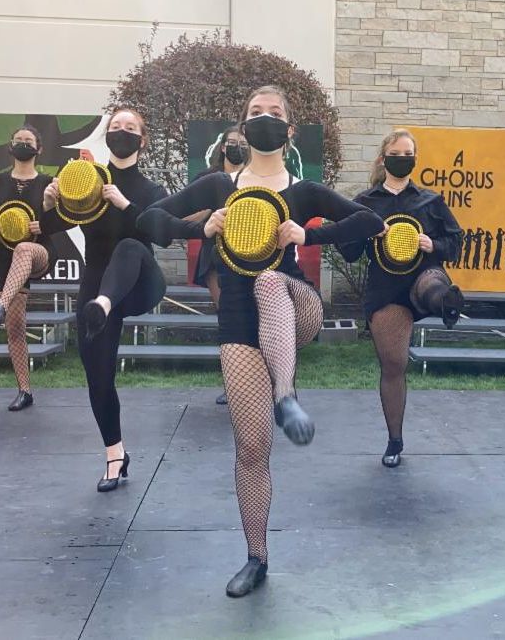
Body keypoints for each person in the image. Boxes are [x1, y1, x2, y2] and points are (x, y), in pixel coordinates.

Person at [137, 85, 382, 598]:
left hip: (295, 302)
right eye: (255, 112)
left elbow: (370, 221)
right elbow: (149, 219)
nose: (264, 118)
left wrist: (308, 235)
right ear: (243, 127)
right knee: (251, 447)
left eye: (274, 113)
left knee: (269, 280)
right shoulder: (218, 186)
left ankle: (286, 395)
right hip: (239, 320)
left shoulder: (303, 191)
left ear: (289, 131)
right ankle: (257, 557)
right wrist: (202, 227)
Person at [40, 108, 167, 492]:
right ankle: (115, 455)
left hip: (140, 284)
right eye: (115, 127)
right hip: (96, 288)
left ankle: (105, 303)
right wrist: (49, 203)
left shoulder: (150, 190)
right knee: (97, 375)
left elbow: (162, 235)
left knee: (129, 246)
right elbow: (49, 226)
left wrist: (125, 204)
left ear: (142, 140)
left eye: (130, 128)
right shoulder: (88, 179)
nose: (121, 132)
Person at [337, 129, 463, 467]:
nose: (403, 159)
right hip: (386, 288)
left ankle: (445, 303)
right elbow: (348, 251)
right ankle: (395, 439)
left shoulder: (430, 201)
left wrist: (433, 244)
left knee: (433, 285)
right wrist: (364, 231)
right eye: (397, 153)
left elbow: (455, 242)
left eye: (409, 154)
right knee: (394, 364)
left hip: (423, 274)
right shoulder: (366, 202)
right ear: (383, 158)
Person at [0, 125, 56, 411]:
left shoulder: (48, 181)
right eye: (19, 140)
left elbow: (64, 218)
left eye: (28, 140)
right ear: (11, 146)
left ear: (39, 148)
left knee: (24, 248)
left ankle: (0, 305)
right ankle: (25, 390)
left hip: (39, 251)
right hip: (7, 258)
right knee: (14, 327)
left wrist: (44, 222)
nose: (23, 143)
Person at [192, 126, 249, 405]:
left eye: (243, 143)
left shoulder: (254, 178)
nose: (238, 147)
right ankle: (233, 384)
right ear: (223, 147)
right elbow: (186, 216)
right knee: (227, 316)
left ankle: (258, 382)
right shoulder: (207, 178)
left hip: (250, 256)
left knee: (252, 319)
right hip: (215, 255)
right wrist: (210, 210)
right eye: (233, 142)